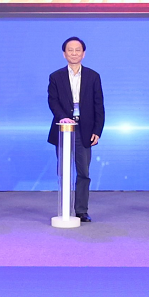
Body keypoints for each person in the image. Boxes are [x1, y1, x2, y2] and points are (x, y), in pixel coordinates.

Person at [47, 37, 105, 222]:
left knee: (83, 172)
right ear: (64, 54)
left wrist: (97, 130)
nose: (74, 53)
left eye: (77, 50)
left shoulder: (93, 76)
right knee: (63, 171)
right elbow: (53, 101)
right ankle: (64, 208)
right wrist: (62, 118)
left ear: (83, 53)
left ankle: (81, 210)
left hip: (85, 130)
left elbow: (99, 105)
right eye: (70, 50)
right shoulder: (55, 77)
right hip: (63, 129)